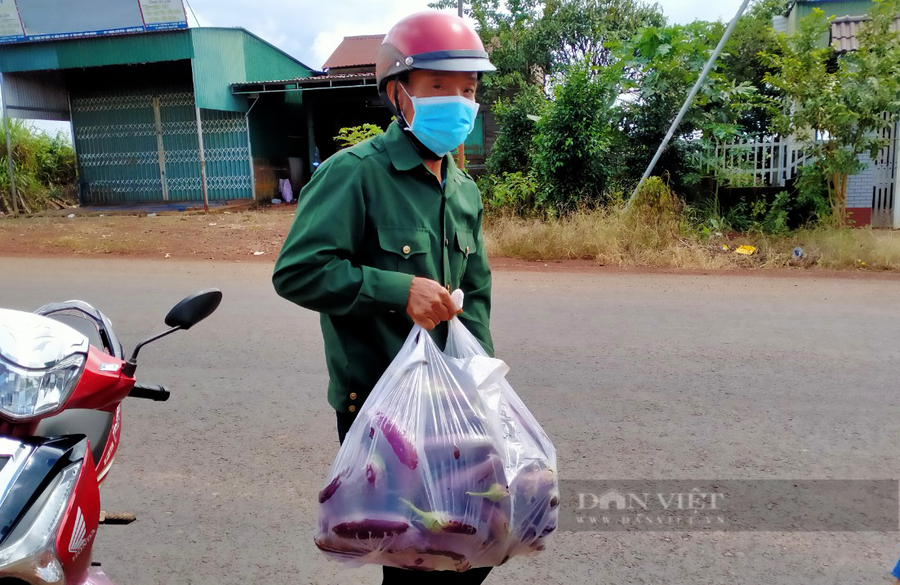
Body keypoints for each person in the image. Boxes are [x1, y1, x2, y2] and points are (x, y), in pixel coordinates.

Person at [272, 10, 496, 585]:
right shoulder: (355, 174)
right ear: (399, 93)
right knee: (415, 560)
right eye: (439, 86)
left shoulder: (463, 189)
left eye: (468, 90)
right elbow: (299, 272)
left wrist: (485, 382)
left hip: (455, 408)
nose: (459, 102)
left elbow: (480, 296)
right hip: (382, 409)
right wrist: (398, 290)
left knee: (473, 546)